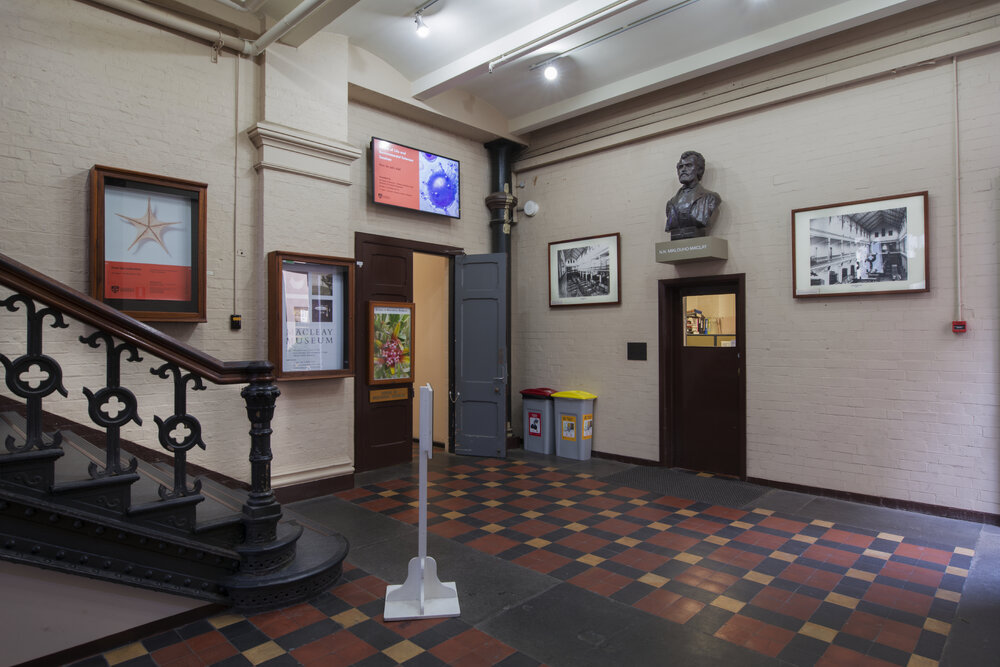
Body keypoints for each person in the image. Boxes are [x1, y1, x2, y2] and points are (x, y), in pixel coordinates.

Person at [665, 150, 722, 239]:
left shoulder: (710, 198)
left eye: (688, 165)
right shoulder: (671, 203)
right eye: (680, 167)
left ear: (699, 170)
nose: (683, 169)